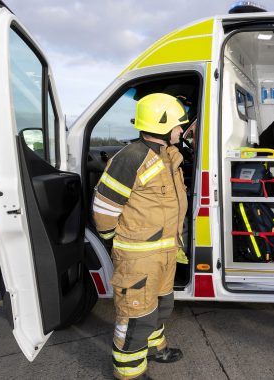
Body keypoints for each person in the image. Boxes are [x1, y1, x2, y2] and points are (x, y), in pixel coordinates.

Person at [93, 93, 189, 379]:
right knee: (137, 316)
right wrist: (116, 238)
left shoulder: (167, 155)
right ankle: (129, 371)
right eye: (178, 124)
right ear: (161, 124)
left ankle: (154, 348)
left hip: (164, 251)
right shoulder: (132, 157)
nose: (181, 130)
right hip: (139, 256)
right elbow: (104, 207)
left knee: (161, 306)